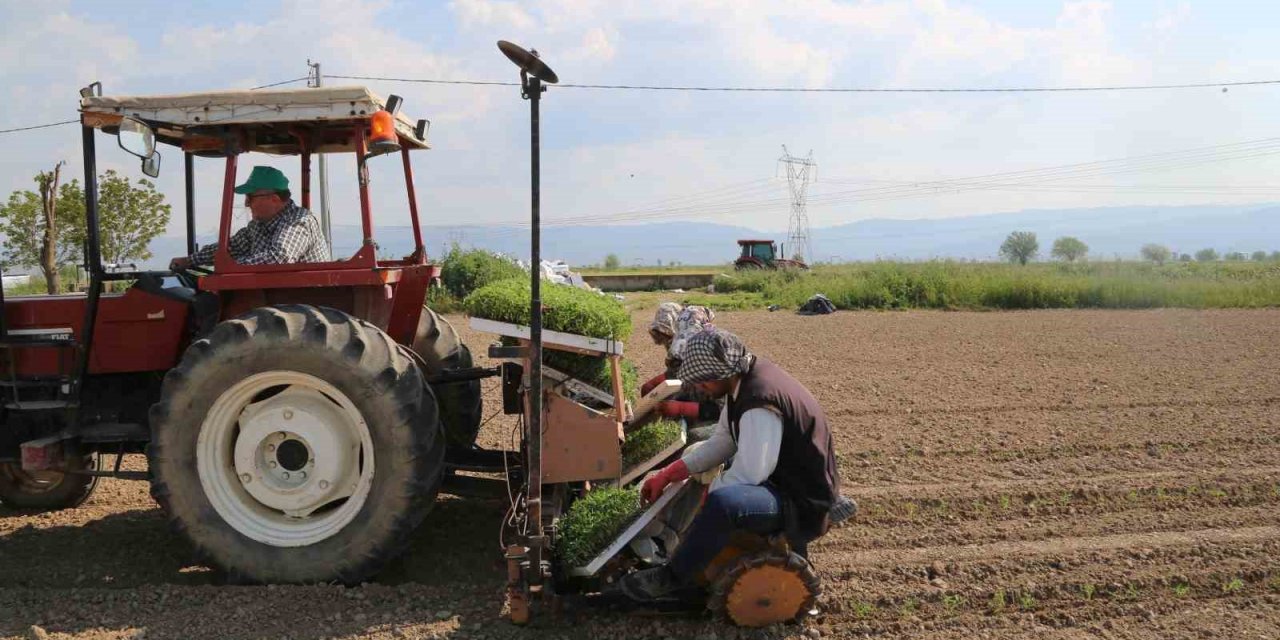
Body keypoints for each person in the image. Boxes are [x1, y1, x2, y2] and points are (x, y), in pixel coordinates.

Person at [619, 329, 844, 603]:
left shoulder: (759, 402)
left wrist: (707, 502)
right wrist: (672, 472)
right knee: (717, 487)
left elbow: (751, 473)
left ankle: (673, 578)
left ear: (721, 373)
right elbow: (724, 439)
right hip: (786, 482)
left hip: (802, 501)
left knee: (725, 504)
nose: (700, 388)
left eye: (704, 382)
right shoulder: (744, 381)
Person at [169, 166, 330, 270]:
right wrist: (189, 261)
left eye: (250, 197)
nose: (246, 203)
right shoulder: (258, 225)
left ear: (274, 199)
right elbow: (232, 248)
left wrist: (231, 267)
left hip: (299, 301)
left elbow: (279, 258)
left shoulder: (299, 220)